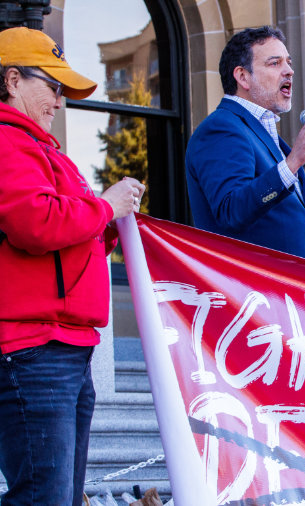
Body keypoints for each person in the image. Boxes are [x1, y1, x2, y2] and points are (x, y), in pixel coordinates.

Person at [0, 27, 144, 505]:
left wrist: (105, 221)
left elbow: (68, 242)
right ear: (13, 80)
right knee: (45, 498)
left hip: (60, 347)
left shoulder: (38, 149)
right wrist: (105, 208)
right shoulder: (7, 141)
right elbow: (35, 223)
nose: (59, 101)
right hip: (34, 349)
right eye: (53, 86)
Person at [185, 26, 305, 260]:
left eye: (288, 62)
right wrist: (292, 162)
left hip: (282, 290)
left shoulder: (267, 137)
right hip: (248, 292)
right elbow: (230, 212)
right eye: (275, 63)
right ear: (243, 77)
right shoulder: (222, 128)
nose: (289, 71)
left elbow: (276, 230)